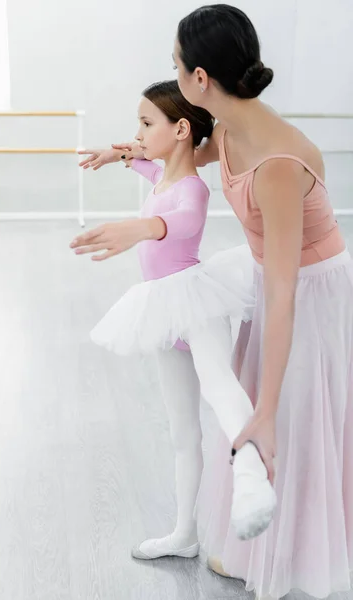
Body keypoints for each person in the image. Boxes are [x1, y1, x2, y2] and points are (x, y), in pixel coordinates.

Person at [108, 4, 353, 599]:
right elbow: (184, 156)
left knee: (287, 412)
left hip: (307, 293)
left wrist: (263, 407)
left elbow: (286, 290)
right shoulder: (228, 129)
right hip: (271, 279)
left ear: (200, 79)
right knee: (261, 405)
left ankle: (300, 554)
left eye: (176, 63)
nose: (172, 69)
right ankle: (267, 539)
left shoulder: (276, 163)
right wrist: (120, 152)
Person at [72, 79, 277, 560]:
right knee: (182, 430)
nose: (137, 133)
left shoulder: (192, 187)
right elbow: (144, 166)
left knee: (218, 385)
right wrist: (115, 155)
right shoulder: (162, 176)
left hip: (194, 303)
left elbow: (183, 219)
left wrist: (143, 228)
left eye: (146, 123)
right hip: (163, 310)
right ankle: (184, 533)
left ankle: (254, 471)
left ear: (182, 128)